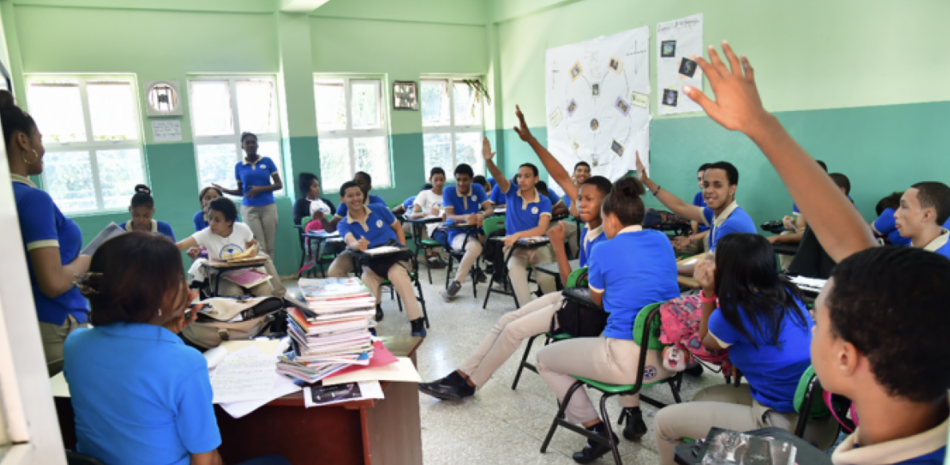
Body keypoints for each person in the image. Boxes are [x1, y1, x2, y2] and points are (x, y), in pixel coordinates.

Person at [682, 40, 946, 465]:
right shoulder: (920, 410)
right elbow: (855, 247)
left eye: (818, 318)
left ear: (844, 358)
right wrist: (760, 124)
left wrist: (761, 125)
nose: (809, 323)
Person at [64, 232, 290, 465]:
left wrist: (165, 331)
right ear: (157, 294)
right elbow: (206, 459)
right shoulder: (184, 362)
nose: (186, 285)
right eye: (179, 278)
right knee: (277, 461)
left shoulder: (75, 344)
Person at [420, 175, 612, 400]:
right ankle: (460, 374)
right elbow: (572, 285)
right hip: (571, 297)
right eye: (579, 198)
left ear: (607, 203)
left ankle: (470, 383)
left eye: (590, 199)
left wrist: (558, 246)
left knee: (512, 330)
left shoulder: (606, 239)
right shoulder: (587, 232)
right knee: (505, 320)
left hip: (584, 311)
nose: (581, 203)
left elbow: (575, 283)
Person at [653, 234, 837, 464]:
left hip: (785, 428)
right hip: (822, 417)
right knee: (701, 397)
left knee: (663, 422)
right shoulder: (786, 291)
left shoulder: (733, 313)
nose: (708, 264)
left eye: (713, 260)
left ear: (728, 271)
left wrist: (708, 293)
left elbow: (707, 341)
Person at [534, 176, 680, 462]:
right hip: (667, 361)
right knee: (606, 338)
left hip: (627, 362)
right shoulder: (662, 240)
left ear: (611, 220)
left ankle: (597, 430)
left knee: (545, 359)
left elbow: (598, 300)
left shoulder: (603, 249)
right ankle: (632, 413)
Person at [4, 89, 90, 376]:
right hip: (51, 327)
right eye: (39, 139)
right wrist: (89, 257)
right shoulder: (32, 199)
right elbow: (52, 282)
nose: (42, 149)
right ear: (22, 141)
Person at [635, 155, 756, 275]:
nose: (708, 191)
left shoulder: (731, 224)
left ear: (732, 189)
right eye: (706, 185)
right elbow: (681, 207)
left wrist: (666, 266)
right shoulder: (720, 213)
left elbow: (708, 269)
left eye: (717, 185)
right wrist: (646, 181)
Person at [336, 181, 425, 336]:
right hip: (372, 261)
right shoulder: (344, 224)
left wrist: (402, 248)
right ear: (342, 199)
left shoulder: (378, 209)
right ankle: (368, 328)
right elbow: (350, 242)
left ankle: (417, 321)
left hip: (395, 255)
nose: (355, 198)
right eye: (350, 196)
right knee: (366, 279)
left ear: (363, 195)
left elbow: (397, 227)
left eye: (358, 194)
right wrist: (358, 245)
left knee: (397, 274)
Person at [482, 137, 557, 305]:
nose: (522, 180)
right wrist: (488, 161)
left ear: (536, 179)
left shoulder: (544, 201)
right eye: (520, 176)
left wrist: (518, 234)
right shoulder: (512, 192)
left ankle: (556, 308)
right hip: (515, 248)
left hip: (538, 246)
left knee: (545, 278)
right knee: (516, 272)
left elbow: (541, 229)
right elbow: (498, 176)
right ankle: (527, 310)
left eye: (527, 176)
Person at [176, 197, 286, 298]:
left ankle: (264, 318)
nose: (212, 223)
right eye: (210, 218)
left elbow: (254, 244)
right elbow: (181, 245)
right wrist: (161, 249)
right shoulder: (206, 234)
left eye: (217, 220)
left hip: (246, 274)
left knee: (265, 290)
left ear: (229, 221)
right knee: (234, 293)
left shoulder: (242, 229)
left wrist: (253, 250)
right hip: (221, 277)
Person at [213, 132, 283, 260]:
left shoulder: (267, 161)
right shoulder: (239, 166)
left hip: (268, 206)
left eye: (253, 142)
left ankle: (271, 275)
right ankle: (263, 274)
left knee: (270, 245)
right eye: (247, 142)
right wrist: (224, 190)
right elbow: (241, 191)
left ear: (257, 144)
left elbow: (279, 184)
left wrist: (259, 189)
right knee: (258, 245)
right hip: (249, 208)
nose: (251, 145)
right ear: (242, 146)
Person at [439, 163, 495, 301]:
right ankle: (456, 284)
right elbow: (450, 215)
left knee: (498, 239)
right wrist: (465, 217)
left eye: (465, 179)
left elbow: (490, 210)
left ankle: (501, 277)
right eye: (458, 179)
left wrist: (481, 214)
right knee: (475, 247)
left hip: (474, 231)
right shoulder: (449, 191)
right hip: (455, 232)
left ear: (471, 179)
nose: (461, 183)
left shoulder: (477, 188)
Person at [325, 171, 389, 278]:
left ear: (368, 187)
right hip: (356, 250)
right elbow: (333, 227)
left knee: (371, 275)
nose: (356, 185)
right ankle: (354, 291)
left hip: (379, 250)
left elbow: (391, 225)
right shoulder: (346, 203)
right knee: (334, 272)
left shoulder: (377, 202)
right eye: (354, 182)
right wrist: (322, 219)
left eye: (361, 182)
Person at [893, 181, 950, 258]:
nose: (896, 214)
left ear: (926, 216)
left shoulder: (941, 265)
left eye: (904, 206)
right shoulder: (910, 250)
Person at [410, 168, 447, 268]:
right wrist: (427, 212)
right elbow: (413, 215)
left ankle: (466, 265)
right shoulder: (425, 194)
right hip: (435, 228)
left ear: (445, 179)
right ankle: (432, 258)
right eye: (436, 180)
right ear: (430, 180)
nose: (439, 182)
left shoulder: (447, 194)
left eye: (441, 179)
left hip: (448, 226)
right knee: (448, 242)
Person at [673, 163, 711, 256]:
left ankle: (707, 265)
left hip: (709, 236)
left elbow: (715, 229)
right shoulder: (698, 196)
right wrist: (690, 237)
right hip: (698, 236)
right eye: (699, 179)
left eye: (704, 179)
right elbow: (695, 220)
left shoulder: (716, 199)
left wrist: (692, 238)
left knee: (708, 238)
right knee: (673, 244)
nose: (701, 182)